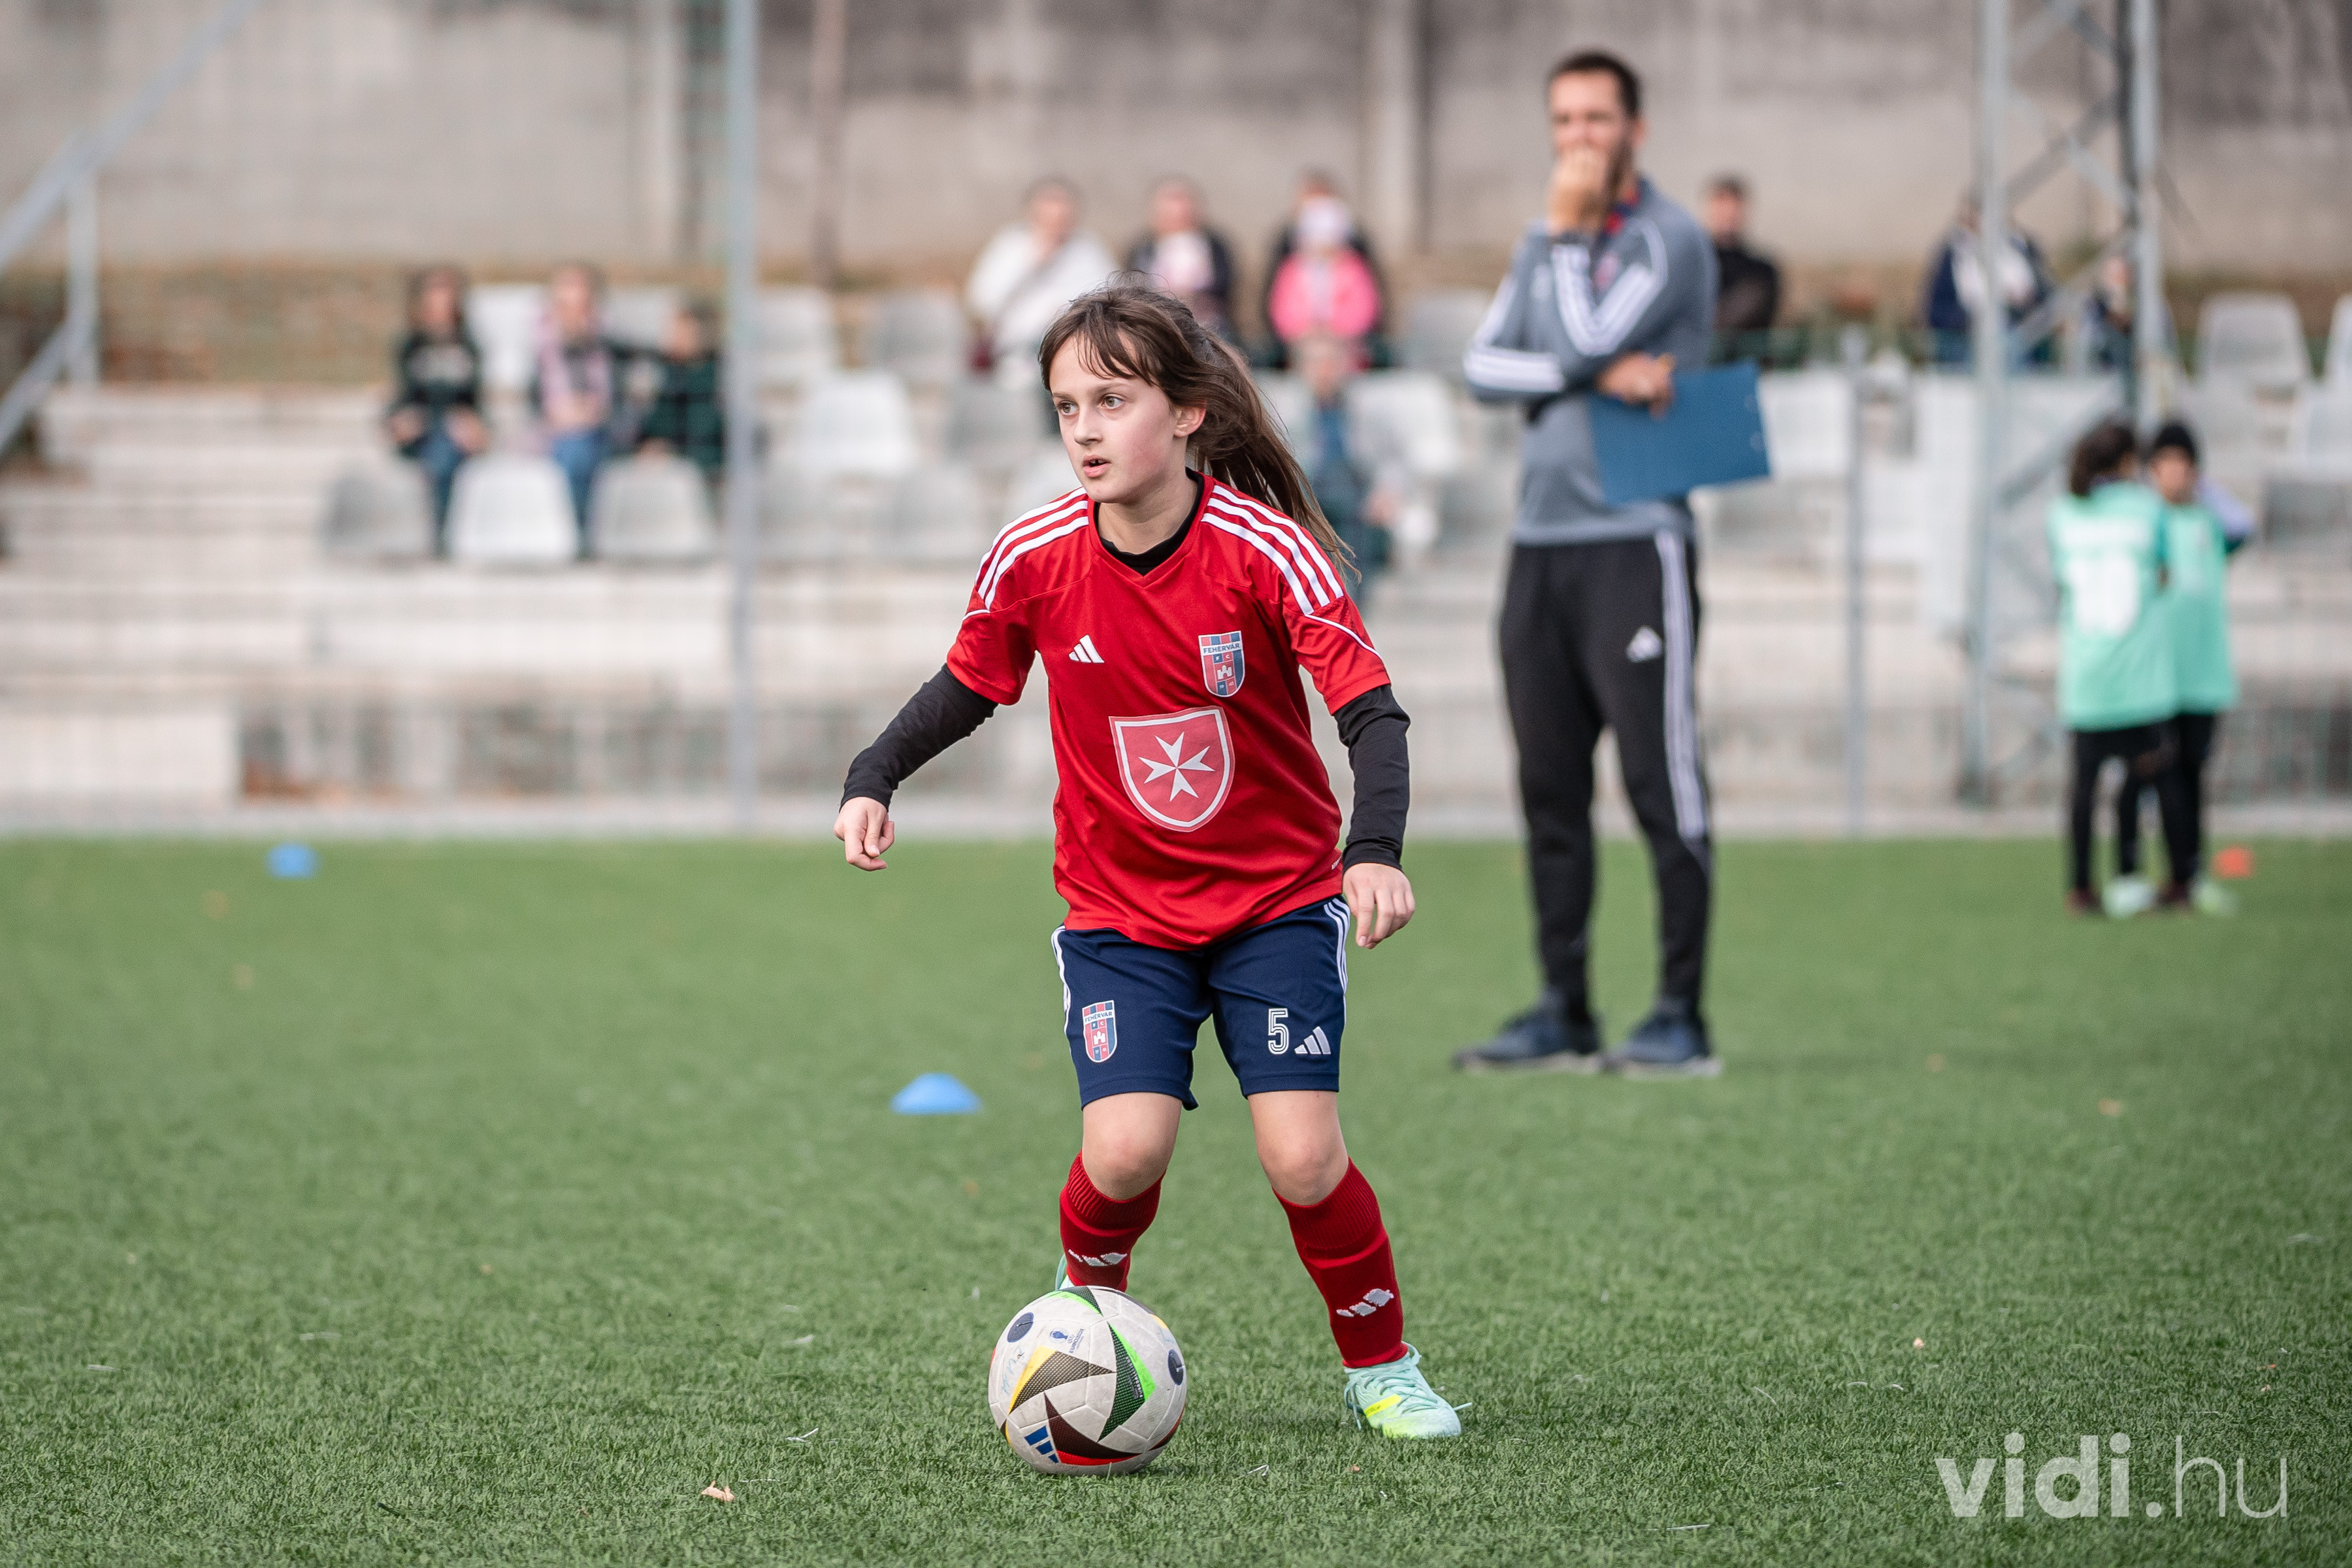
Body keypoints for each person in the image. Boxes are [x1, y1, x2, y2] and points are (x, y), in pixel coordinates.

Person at [832, 282, 1459, 1441]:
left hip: (1276, 904)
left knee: (1303, 1157)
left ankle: (1383, 1368)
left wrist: (1372, 853)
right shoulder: (1033, 554)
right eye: (1066, 406)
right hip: (1121, 914)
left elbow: (1371, 712)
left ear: (1186, 413)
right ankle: (1085, 1324)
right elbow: (968, 683)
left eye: (1111, 402)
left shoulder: (1266, 550)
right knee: (1123, 1153)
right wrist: (876, 773)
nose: (1084, 429)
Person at [1454, 49, 1721, 1077]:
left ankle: (1681, 1015)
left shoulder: (1667, 238)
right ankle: (1565, 1009)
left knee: (1660, 782)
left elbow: (1576, 332)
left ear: (1634, 132)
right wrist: (1596, 372)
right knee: (1550, 787)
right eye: (1563, 120)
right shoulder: (1546, 238)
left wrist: (1564, 244)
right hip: (1540, 546)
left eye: (1597, 120)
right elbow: (1483, 367)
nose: (1578, 139)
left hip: (1635, 539)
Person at [2048, 419, 2195, 917]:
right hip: (2139, 678)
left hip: (2086, 678)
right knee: (2163, 777)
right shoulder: (2148, 510)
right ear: (2131, 463)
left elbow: (2062, 583)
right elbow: (2164, 574)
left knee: (2084, 789)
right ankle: (2178, 881)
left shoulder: (2063, 513)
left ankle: (2080, 888)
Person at [2112, 421, 2251, 915]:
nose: (2174, 474)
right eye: (2164, 464)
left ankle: (2188, 876)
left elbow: (2244, 524)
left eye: (2183, 464)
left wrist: (2202, 487)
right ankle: (2128, 874)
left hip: (2202, 678)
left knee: (2192, 777)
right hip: (2152, 678)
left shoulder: (2209, 522)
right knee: (2144, 776)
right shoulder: (2145, 523)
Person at [966, 177, 1119, 388]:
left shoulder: (1088, 249)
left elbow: (1111, 297)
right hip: (1017, 357)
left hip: (1078, 353)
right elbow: (982, 302)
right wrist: (1031, 264)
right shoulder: (1010, 245)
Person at [384, 265, 487, 550]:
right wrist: (398, 422)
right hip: (421, 432)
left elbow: (473, 400)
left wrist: (476, 426)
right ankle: (435, 535)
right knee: (437, 455)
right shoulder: (410, 346)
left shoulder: (469, 346)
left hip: (456, 435)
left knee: (446, 453)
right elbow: (403, 396)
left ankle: (443, 535)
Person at [1292, 332, 1401, 595]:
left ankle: (1352, 598)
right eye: (1315, 362)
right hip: (1306, 491)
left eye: (1331, 362)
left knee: (1360, 544)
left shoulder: (1366, 407)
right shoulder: (1284, 409)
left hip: (1354, 490)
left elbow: (1391, 457)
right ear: (1301, 367)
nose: (1324, 371)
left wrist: (1387, 491)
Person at [529, 263, 621, 551]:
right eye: (565, 307)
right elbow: (532, 410)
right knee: (574, 449)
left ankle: (580, 538)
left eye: (581, 307)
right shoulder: (539, 355)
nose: (573, 316)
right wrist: (559, 417)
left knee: (580, 448)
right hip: (554, 440)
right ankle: (576, 537)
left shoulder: (613, 351)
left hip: (606, 439)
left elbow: (626, 407)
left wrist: (598, 414)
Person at [1261, 172, 1389, 367]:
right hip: (1301, 341)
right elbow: (1282, 306)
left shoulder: (1353, 267)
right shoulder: (1292, 267)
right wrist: (1303, 331)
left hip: (1345, 342)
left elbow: (1364, 306)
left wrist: (1338, 331)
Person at [1919, 193, 2053, 366]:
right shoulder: (1953, 255)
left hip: (2019, 329)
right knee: (1997, 342)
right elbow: (1935, 310)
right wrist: (1971, 318)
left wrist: (2024, 303)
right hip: (1969, 337)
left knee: (2009, 341)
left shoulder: (2021, 248)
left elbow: (2047, 296)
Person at [1125, 176, 1239, 340]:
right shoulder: (1142, 249)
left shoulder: (1215, 246)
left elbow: (1224, 287)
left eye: (1183, 217)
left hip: (1208, 326)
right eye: (1170, 217)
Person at [634, 301, 725, 485]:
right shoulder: (668, 373)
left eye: (684, 332)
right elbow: (654, 425)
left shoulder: (716, 377)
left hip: (702, 470)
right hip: (664, 464)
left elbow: (705, 435)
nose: (674, 338)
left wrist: (671, 451)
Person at [1704, 175, 1780, 351]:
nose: (1728, 212)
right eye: (1722, 203)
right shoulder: (1695, 264)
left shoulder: (1761, 270)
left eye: (1734, 205)